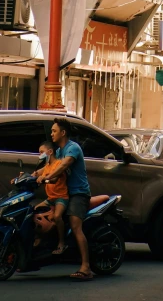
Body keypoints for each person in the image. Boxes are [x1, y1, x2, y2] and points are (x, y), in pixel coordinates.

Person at [42, 117, 93, 281]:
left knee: (75, 225)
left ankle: (86, 267)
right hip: (63, 194)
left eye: (54, 131)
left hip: (79, 193)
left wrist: (48, 176)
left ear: (63, 133)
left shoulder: (73, 148)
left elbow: (64, 165)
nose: (51, 134)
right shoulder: (57, 152)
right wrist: (34, 175)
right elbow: (49, 166)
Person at [33, 140, 68, 254]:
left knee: (57, 216)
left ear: (50, 151)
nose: (40, 155)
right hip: (50, 199)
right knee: (34, 212)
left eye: (42, 152)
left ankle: (62, 243)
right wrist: (21, 178)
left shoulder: (58, 164)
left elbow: (54, 179)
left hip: (61, 198)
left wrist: (44, 179)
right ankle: (39, 238)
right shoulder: (47, 166)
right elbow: (35, 175)